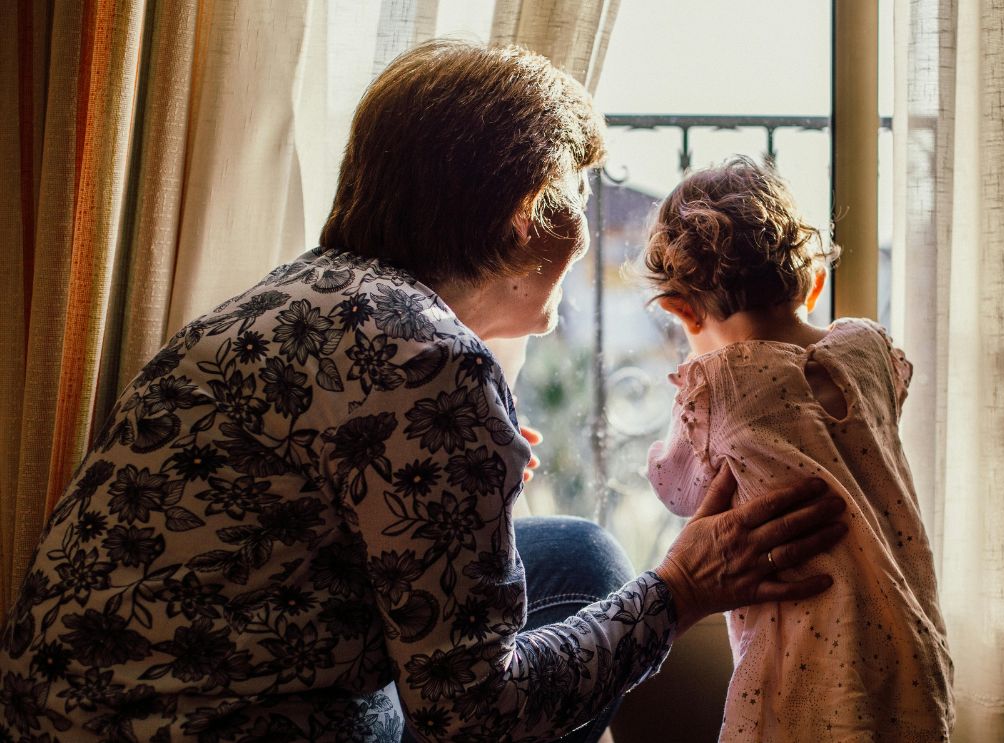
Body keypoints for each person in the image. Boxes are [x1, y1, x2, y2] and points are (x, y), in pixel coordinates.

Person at [0, 43, 848, 742]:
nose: (586, 228)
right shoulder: (430, 360)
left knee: (580, 555)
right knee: (610, 585)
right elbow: (471, 714)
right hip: (227, 726)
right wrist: (683, 590)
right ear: (526, 210)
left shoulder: (303, 292)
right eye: (578, 192)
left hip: (72, 713)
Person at [642, 158, 954, 741]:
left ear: (680, 310)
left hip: (804, 656)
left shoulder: (719, 382)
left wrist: (675, 425)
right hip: (905, 627)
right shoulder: (868, 347)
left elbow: (682, 490)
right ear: (813, 282)